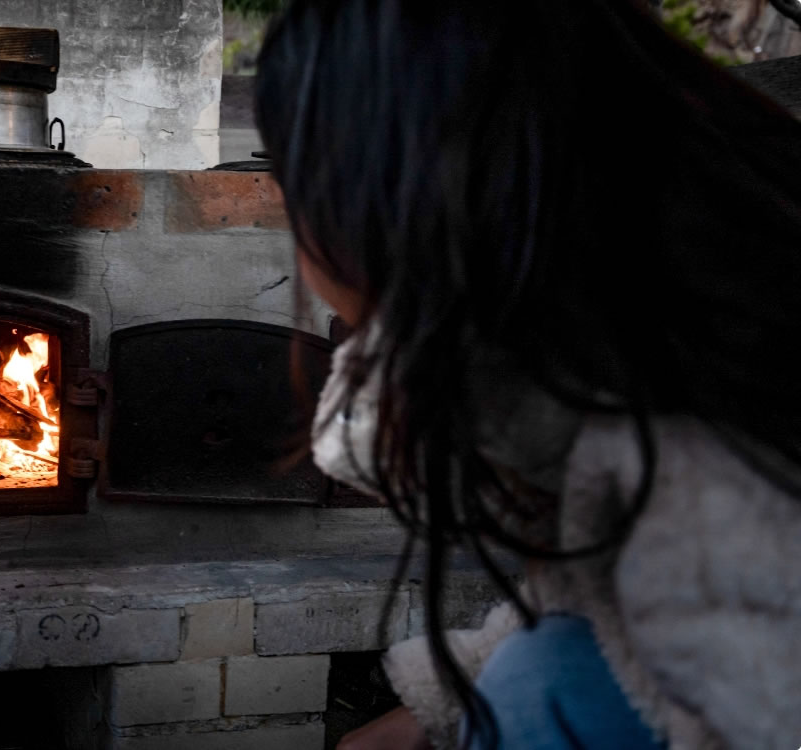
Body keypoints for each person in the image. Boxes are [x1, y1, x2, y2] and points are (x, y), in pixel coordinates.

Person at [253, 0, 801, 748]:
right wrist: (442, 705)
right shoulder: (636, 348)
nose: (286, 201)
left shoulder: (687, 455)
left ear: (379, 191)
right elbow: (597, 590)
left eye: (288, 168)